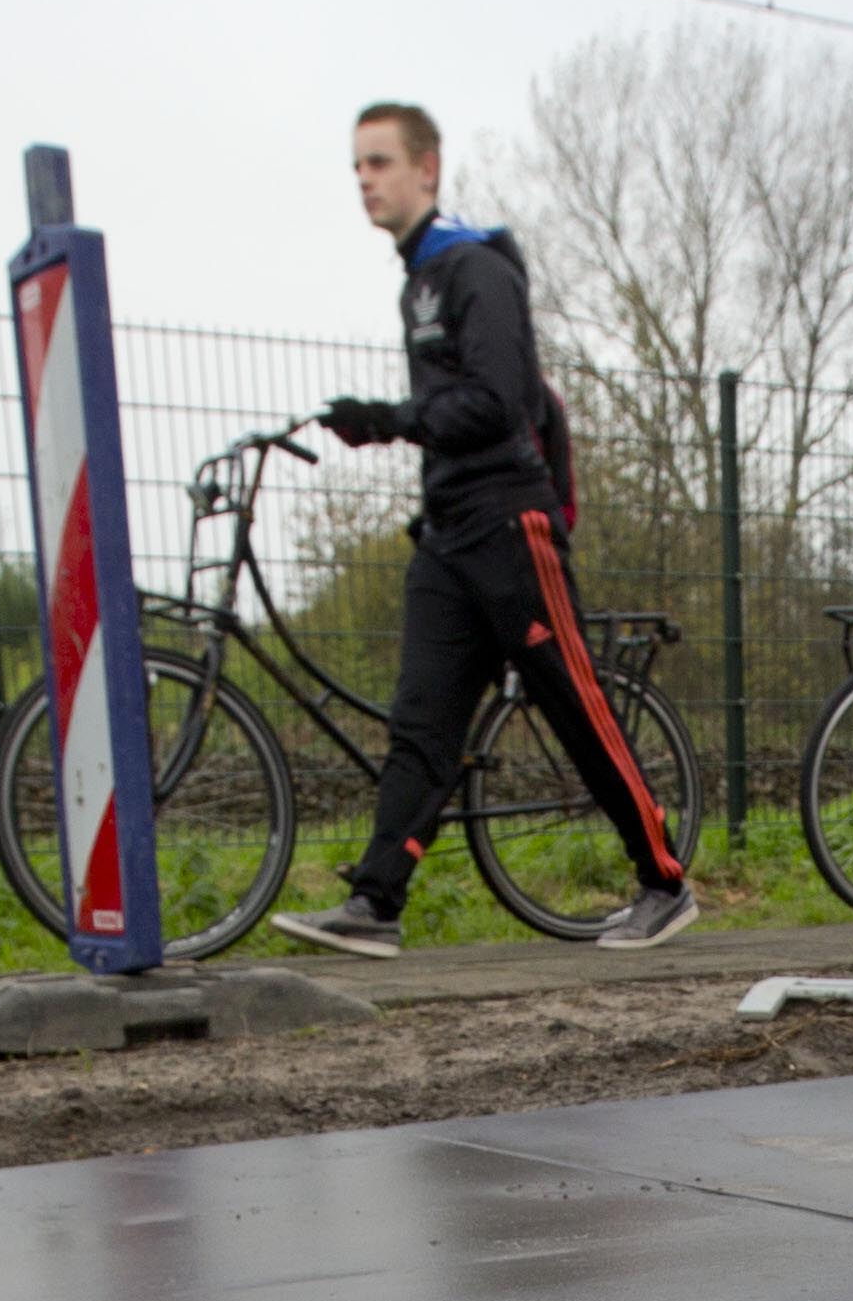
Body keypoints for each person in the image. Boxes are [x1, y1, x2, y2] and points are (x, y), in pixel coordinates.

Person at [268, 103, 694, 960]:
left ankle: (665, 882)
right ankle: (375, 903)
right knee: (422, 720)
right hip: (449, 536)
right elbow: (449, 409)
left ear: (428, 169)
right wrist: (402, 437)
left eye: (380, 163)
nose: (365, 180)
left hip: (510, 524)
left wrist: (388, 419)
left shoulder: (474, 270)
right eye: (357, 166)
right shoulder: (417, 282)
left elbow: (504, 401)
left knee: (573, 702)